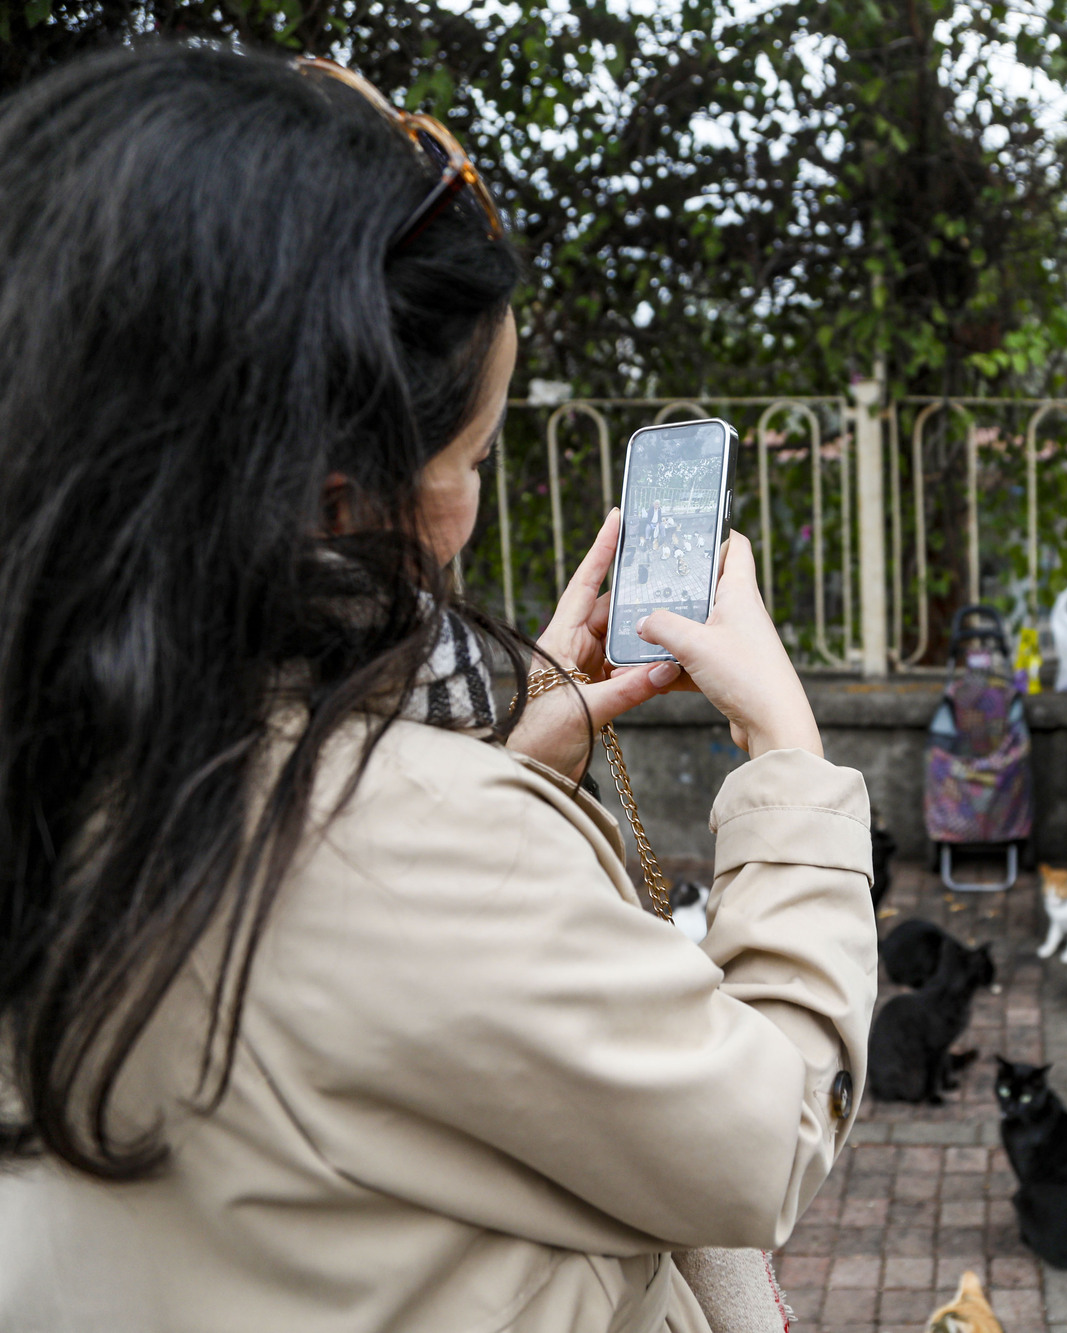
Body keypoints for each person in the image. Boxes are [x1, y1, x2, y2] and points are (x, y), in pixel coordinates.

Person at [0, 45, 874, 1333]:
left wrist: (504, 773)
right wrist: (784, 758)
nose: (465, 506)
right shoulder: (400, 849)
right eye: (470, 451)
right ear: (330, 492)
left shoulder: (70, 755)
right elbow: (767, 1136)